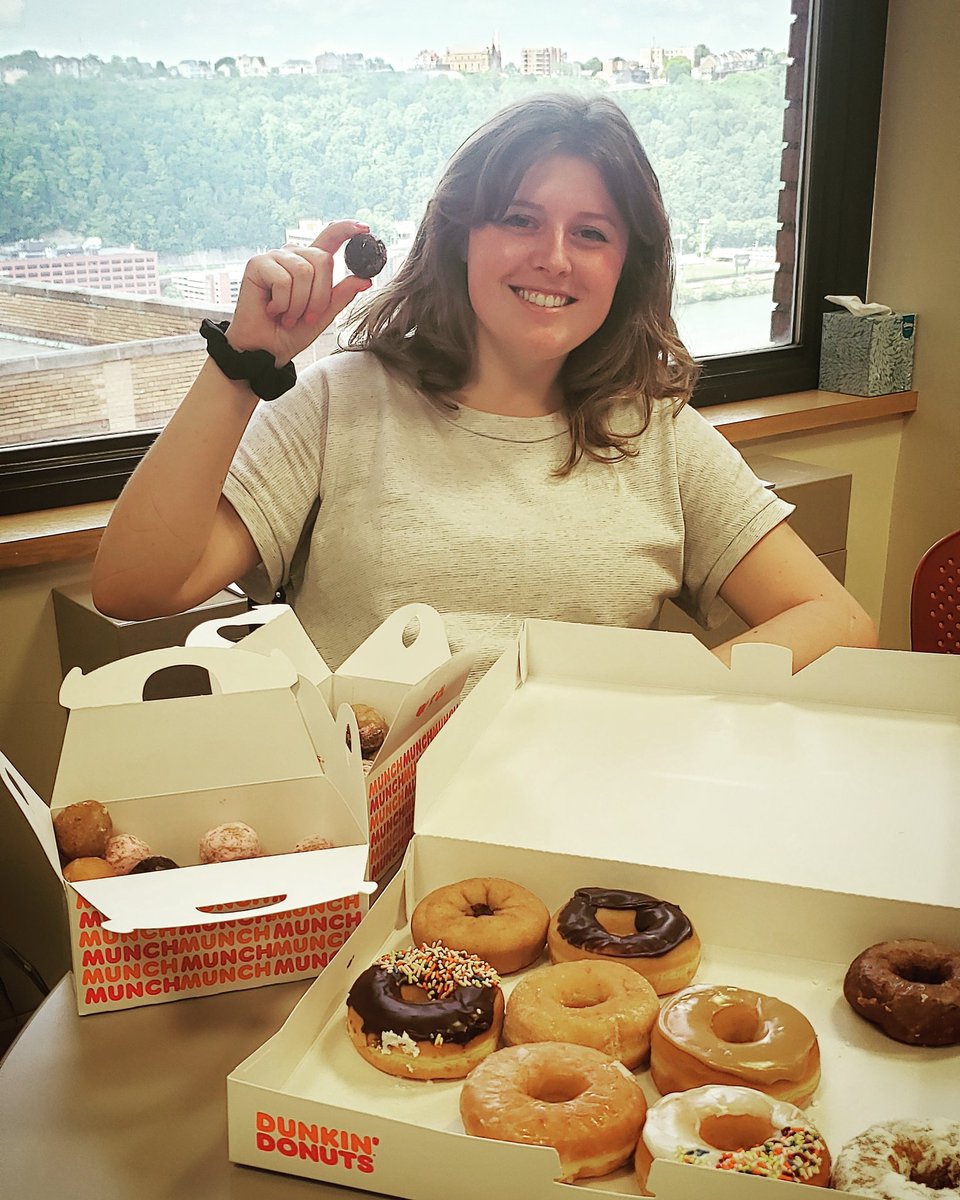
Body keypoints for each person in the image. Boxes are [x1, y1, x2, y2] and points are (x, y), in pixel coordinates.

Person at [92, 93, 877, 679]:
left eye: (592, 233)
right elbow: (135, 586)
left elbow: (838, 619)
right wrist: (241, 367)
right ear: (461, 237)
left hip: (575, 826)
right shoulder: (337, 405)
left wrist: (656, 707)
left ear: (626, 267)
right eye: (519, 219)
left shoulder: (657, 435)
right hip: (367, 833)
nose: (556, 258)